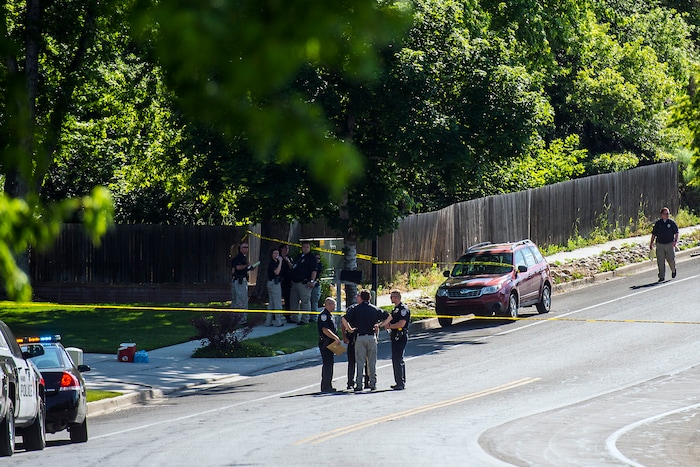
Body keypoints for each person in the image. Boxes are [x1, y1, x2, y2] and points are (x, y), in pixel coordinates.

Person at [342, 290, 390, 392]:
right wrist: (379, 325)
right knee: (371, 362)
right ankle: (372, 383)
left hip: (360, 337)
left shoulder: (355, 309)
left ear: (361, 298)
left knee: (360, 361)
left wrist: (350, 329)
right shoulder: (374, 309)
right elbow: (389, 317)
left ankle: (359, 384)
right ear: (369, 298)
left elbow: (344, 319)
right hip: (371, 337)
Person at [342, 292, 369, 390]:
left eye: (357, 296)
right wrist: (344, 335)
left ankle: (367, 381)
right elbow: (344, 321)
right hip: (352, 338)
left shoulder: (368, 309)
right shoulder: (351, 309)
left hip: (362, 337)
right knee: (352, 361)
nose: (356, 297)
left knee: (366, 361)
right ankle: (350, 382)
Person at [384, 290, 410, 390]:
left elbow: (401, 323)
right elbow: (389, 319)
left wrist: (390, 326)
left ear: (396, 297)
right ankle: (398, 381)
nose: (391, 299)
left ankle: (400, 382)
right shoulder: (396, 309)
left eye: (391, 297)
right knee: (396, 359)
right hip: (395, 336)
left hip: (400, 336)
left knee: (398, 358)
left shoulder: (403, 309)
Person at [289, 241, 318, 325]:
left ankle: (305, 319)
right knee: (294, 301)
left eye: (307, 247)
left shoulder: (312, 258)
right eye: (304, 247)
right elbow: (294, 267)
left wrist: (312, 281)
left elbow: (314, 270)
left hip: (304, 283)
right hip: (295, 282)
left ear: (309, 248)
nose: (305, 248)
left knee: (305, 301)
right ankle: (294, 318)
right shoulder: (299, 257)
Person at [318, 297, 342, 393]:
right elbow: (325, 330)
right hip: (325, 342)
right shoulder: (324, 315)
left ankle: (328, 385)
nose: (334, 306)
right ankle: (325, 386)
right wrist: (335, 337)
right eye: (333, 304)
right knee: (327, 364)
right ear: (328, 304)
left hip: (330, 343)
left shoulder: (329, 315)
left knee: (330, 364)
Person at [650, 207, 679, 282]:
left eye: (668, 214)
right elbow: (654, 234)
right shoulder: (658, 223)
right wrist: (651, 243)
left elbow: (676, 232)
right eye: (665, 214)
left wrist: (675, 241)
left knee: (671, 259)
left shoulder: (671, 223)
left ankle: (673, 270)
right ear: (661, 215)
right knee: (660, 261)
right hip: (660, 244)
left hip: (669, 244)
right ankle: (661, 276)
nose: (667, 215)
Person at [230, 242, 254, 323]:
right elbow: (237, 267)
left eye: (247, 247)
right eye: (244, 247)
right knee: (241, 300)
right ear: (240, 248)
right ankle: (241, 320)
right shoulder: (239, 257)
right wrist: (247, 265)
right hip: (239, 281)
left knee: (236, 300)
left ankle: (234, 318)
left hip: (237, 280)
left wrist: (249, 268)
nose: (246, 249)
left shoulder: (243, 257)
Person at [265, 248, 285, 327]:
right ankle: (278, 321)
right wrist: (280, 262)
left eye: (277, 253)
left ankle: (268, 321)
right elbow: (276, 272)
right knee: (277, 303)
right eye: (275, 253)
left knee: (272, 303)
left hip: (275, 283)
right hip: (273, 283)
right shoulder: (272, 263)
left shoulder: (276, 262)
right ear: (272, 255)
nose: (277, 255)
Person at [279, 244, 294, 322]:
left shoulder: (289, 258)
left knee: (288, 299)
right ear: (281, 249)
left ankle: (288, 316)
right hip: (280, 280)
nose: (286, 250)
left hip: (288, 281)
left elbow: (293, 267)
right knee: (278, 299)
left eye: (287, 248)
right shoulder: (279, 257)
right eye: (285, 248)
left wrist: (288, 261)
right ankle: (275, 315)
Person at [308, 253, 324, 322]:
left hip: (316, 285)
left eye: (318, 258)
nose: (317, 260)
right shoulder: (311, 266)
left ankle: (314, 317)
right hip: (309, 285)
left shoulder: (319, 266)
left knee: (314, 301)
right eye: (316, 258)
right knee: (309, 301)